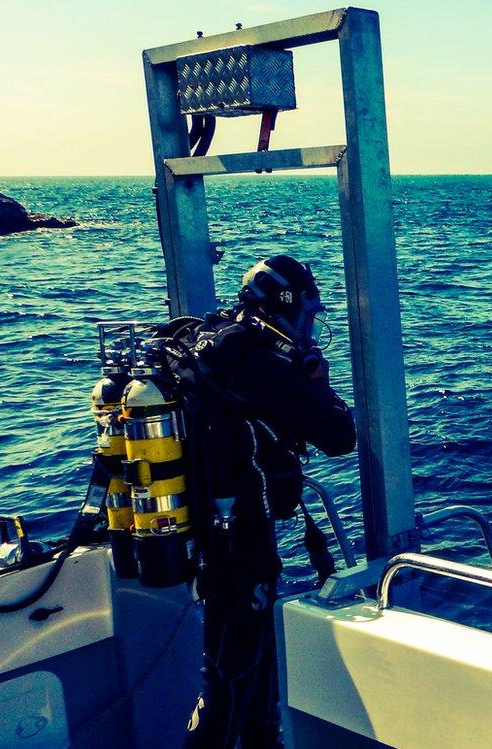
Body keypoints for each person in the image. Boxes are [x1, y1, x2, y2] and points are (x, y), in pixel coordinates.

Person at [176, 255, 357, 749]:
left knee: (243, 654)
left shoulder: (213, 339)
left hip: (208, 527)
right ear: (283, 310)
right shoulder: (265, 366)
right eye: (306, 315)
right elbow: (341, 436)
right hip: (239, 535)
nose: (309, 327)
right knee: (231, 672)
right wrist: (315, 380)